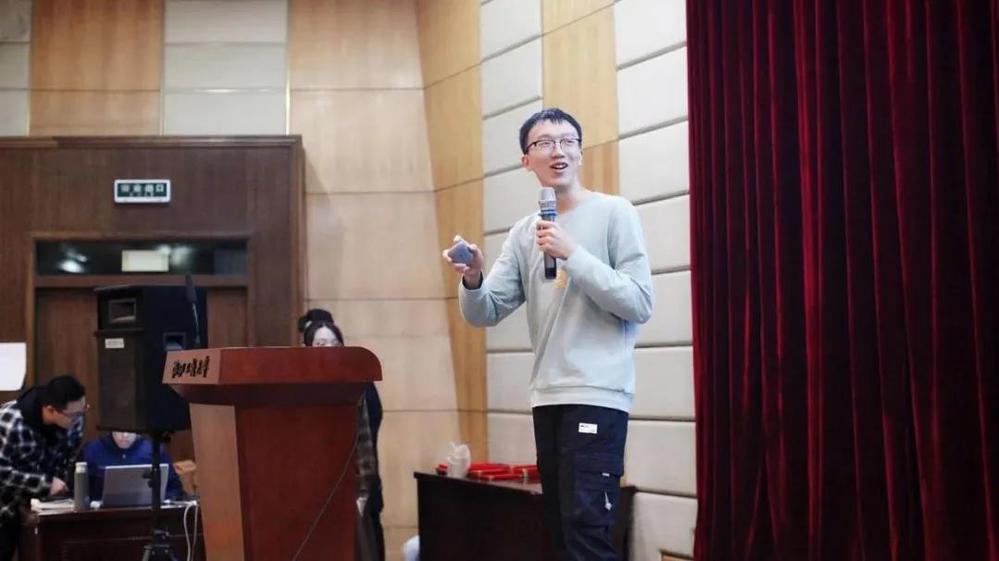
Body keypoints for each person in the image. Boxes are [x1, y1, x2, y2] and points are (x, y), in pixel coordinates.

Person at [442, 107, 653, 561]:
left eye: (567, 141)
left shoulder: (615, 213)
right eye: (544, 143)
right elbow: (484, 312)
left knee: (587, 534)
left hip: (597, 394)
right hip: (548, 397)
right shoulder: (525, 233)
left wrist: (572, 253)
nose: (558, 151)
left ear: (580, 152)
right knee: (560, 535)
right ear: (526, 160)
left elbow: (639, 302)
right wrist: (473, 276)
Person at [298, 309, 385, 561]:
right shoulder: (297, 387)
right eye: (320, 344)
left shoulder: (356, 383)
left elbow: (366, 440)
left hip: (351, 488)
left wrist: (362, 492)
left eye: (334, 344)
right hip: (310, 492)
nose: (329, 350)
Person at [0, 374, 87, 561]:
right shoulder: (10, 420)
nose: (79, 420)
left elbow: (68, 459)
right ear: (50, 410)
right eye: (73, 415)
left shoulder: (75, 420)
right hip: (5, 506)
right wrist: (46, 483)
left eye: (83, 411)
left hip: (47, 507)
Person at [79, 431, 183, 502]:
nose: (124, 435)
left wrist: (165, 501)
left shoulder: (155, 450)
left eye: (129, 431)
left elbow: (174, 487)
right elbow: (78, 492)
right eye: (119, 430)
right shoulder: (92, 450)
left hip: (146, 516)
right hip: (101, 518)